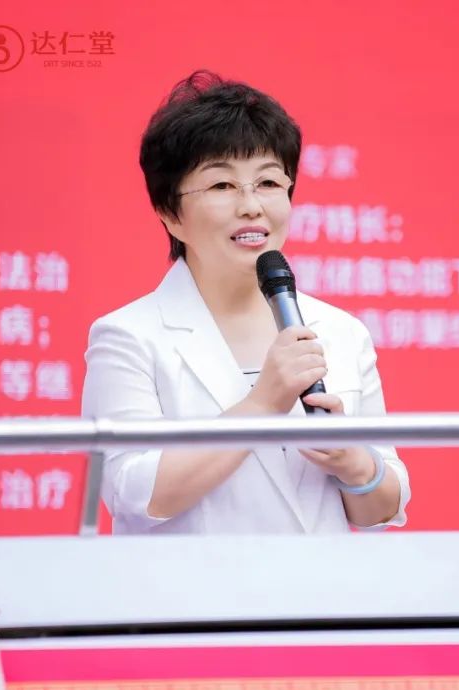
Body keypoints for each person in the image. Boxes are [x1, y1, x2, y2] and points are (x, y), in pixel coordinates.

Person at [81, 70, 410, 534]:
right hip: (195, 583)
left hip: (322, 582)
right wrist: (262, 405)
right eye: (222, 186)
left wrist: (355, 464)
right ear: (170, 213)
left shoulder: (341, 331)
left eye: (269, 183)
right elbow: (132, 494)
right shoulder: (128, 336)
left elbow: (383, 510)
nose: (252, 206)